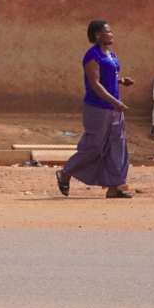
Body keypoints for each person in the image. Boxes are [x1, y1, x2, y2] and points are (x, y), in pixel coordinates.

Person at [57, 20, 135, 198]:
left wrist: (122, 81)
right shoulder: (92, 56)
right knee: (95, 147)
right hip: (98, 108)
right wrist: (115, 102)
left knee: (117, 145)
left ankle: (115, 186)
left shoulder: (111, 55)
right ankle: (66, 172)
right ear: (98, 35)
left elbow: (109, 77)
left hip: (114, 108)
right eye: (108, 31)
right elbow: (95, 84)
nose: (111, 34)